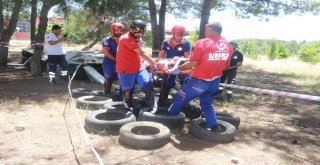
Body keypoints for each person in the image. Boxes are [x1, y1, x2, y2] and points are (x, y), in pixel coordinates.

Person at [166, 22, 233, 131]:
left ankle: (169, 124)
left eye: (206, 30)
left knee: (179, 98)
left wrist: (177, 69)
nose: (205, 32)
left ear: (211, 29)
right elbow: (227, 64)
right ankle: (214, 127)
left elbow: (193, 63)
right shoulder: (228, 45)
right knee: (207, 104)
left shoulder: (202, 43)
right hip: (215, 81)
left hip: (199, 81)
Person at [116, 20, 157, 109]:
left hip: (139, 68)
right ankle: (128, 107)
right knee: (127, 91)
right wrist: (153, 63)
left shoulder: (136, 37)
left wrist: (145, 62)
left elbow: (138, 54)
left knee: (148, 85)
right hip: (126, 70)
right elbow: (141, 53)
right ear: (131, 29)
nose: (139, 35)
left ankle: (152, 107)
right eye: (138, 33)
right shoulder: (126, 39)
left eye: (141, 33)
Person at [157, 25, 191, 105]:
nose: (180, 37)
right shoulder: (166, 42)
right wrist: (159, 64)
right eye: (179, 35)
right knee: (166, 82)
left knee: (187, 81)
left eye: (182, 35)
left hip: (182, 65)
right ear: (173, 33)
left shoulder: (186, 43)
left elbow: (187, 58)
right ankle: (161, 102)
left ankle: (186, 103)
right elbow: (161, 55)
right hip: (169, 65)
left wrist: (180, 62)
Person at [102, 22, 124, 94]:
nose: (119, 32)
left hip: (122, 63)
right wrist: (117, 60)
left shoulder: (124, 39)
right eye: (117, 30)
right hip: (109, 63)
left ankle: (122, 96)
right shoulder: (107, 40)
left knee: (123, 79)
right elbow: (106, 53)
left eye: (120, 31)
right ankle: (106, 94)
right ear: (112, 30)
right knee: (108, 79)